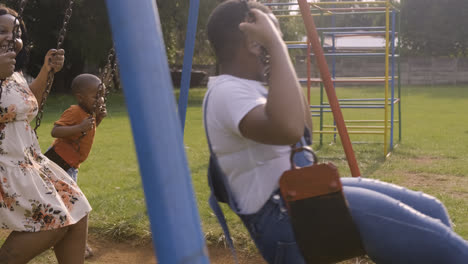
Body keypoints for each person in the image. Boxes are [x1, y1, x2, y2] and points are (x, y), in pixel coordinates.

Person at [204, 1, 468, 263]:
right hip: (284, 217)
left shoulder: (249, 87)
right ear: (253, 42)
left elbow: (304, 129)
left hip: (300, 201)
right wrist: (276, 45)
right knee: (452, 253)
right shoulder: (226, 92)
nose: (278, 35)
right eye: (273, 29)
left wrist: (277, 56)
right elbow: (288, 129)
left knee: (432, 210)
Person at [0, 5, 91, 264]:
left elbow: (25, 105)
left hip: (30, 161)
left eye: (15, 33)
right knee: (54, 220)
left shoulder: (13, 74)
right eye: (1, 31)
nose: (10, 37)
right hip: (6, 166)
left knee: (77, 209)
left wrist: (46, 70)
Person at [44, 73, 107, 258]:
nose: (100, 99)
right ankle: (76, 245)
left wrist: (98, 119)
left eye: (102, 95)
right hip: (59, 165)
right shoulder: (74, 112)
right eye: (96, 95)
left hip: (71, 167)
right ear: (80, 97)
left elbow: (85, 134)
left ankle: (72, 242)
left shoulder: (89, 114)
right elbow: (56, 131)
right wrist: (79, 126)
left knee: (70, 207)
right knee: (73, 207)